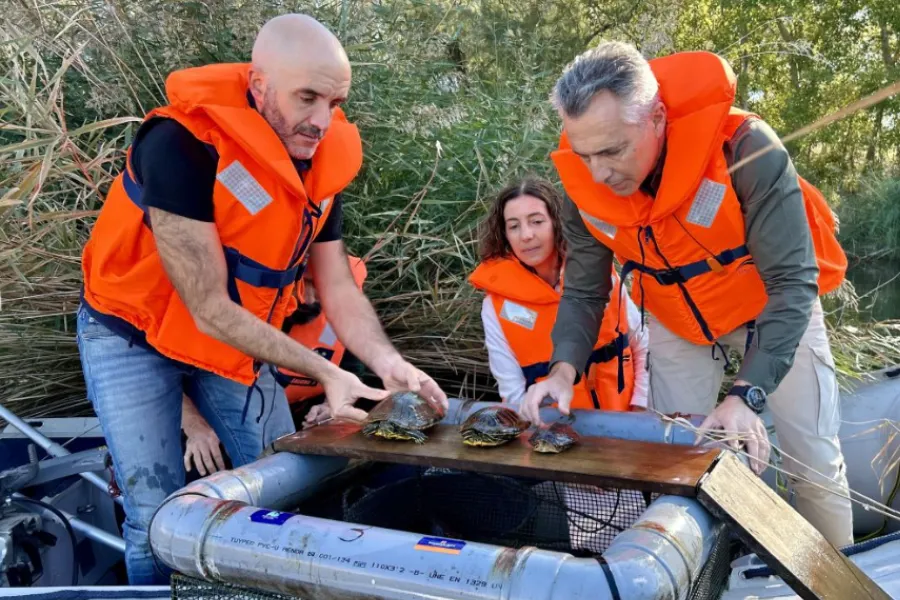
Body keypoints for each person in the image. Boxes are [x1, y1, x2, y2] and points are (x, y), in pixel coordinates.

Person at [75, 14, 447, 584]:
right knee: (156, 513)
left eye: (335, 101)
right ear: (258, 85)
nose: (322, 120)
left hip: (230, 342)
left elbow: (339, 286)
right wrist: (326, 371)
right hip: (131, 333)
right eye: (307, 97)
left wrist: (387, 363)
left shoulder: (318, 159)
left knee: (290, 476)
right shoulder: (179, 144)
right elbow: (207, 306)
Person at [522, 42, 852, 546]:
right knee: (674, 458)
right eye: (585, 154)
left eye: (612, 150)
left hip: (771, 312)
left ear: (656, 117)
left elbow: (792, 284)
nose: (599, 174)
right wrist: (563, 370)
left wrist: (746, 394)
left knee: (814, 460)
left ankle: (839, 574)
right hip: (680, 323)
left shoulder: (747, 150)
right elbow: (586, 292)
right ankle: (697, 573)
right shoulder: (584, 189)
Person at [468, 177, 649, 413]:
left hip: (627, 422)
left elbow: (642, 345)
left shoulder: (601, 277)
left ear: (557, 222)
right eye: (514, 226)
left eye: (536, 221)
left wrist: (641, 405)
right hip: (554, 432)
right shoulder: (495, 306)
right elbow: (512, 392)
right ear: (504, 235)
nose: (526, 235)